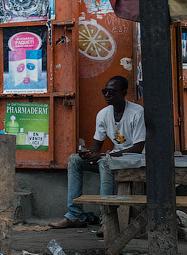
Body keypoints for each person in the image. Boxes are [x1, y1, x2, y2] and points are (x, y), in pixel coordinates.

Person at [49, 75, 145, 230]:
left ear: (123, 93)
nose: (107, 95)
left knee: (105, 162)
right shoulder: (103, 114)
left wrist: (102, 156)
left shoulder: (137, 112)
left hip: (135, 159)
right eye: (105, 91)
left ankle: (106, 220)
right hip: (114, 157)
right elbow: (97, 146)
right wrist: (88, 153)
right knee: (74, 160)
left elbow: (138, 148)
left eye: (112, 92)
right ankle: (75, 215)